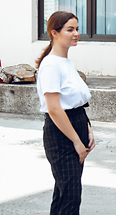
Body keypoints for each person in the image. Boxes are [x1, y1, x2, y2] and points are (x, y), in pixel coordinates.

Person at [35, 11, 95, 215]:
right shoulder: (51, 65)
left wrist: (87, 129)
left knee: (65, 194)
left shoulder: (65, 62)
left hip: (75, 124)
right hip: (61, 133)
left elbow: (76, 101)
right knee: (70, 195)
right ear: (55, 33)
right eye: (70, 29)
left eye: (77, 29)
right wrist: (77, 141)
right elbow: (54, 108)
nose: (76, 33)